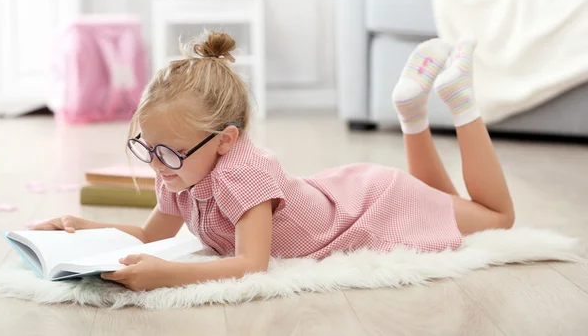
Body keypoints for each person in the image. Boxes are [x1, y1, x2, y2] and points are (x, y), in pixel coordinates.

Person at [33, 32, 515, 291]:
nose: (157, 165)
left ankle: (459, 102)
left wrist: (167, 274)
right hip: (344, 193)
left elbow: (251, 264)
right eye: (148, 148)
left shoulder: (242, 174)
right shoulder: (178, 170)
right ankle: (411, 112)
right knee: (446, 205)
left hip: (371, 207)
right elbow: (147, 236)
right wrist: (83, 225)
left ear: (226, 140)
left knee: (498, 218)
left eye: (168, 152)